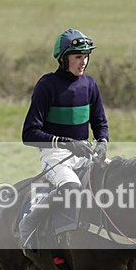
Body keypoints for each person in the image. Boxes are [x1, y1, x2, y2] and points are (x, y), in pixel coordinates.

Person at [19, 28, 109, 250]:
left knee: (114, 181)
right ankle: (30, 223)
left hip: (85, 154)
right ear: (63, 59)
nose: (84, 62)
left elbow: (100, 123)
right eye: (78, 56)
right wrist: (67, 143)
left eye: (86, 56)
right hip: (55, 155)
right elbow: (29, 134)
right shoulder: (47, 85)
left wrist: (103, 143)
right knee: (73, 190)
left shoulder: (90, 85)